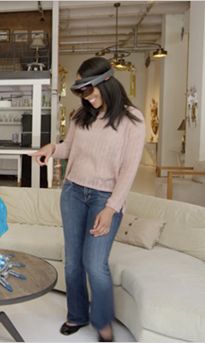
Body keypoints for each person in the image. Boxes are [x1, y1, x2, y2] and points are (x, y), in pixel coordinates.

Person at [29, 57, 145, 342]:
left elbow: (129, 170)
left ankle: (102, 322)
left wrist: (111, 208)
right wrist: (52, 148)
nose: (86, 97)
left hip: (104, 198)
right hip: (73, 193)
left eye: (89, 90)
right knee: (72, 262)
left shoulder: (132, 120)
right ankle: (77, 315)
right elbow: (71, 147)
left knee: (95, 264)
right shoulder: (81, 116)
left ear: (107, 81)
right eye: (81, 92)